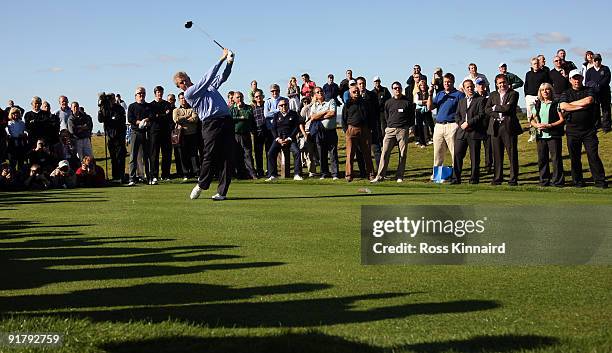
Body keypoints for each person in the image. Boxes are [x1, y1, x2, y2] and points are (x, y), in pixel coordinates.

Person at [175, 47, 235, 201]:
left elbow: (223, 77)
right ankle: (202, 184)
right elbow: (208, 77)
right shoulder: (190, 93)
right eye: (181, 83)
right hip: (210, 123)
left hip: (226, 121)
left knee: (228, 156)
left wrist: (229, 62)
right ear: (179, 87)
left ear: (189, 78)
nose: (184, 83)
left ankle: (222, 192)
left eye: (185, 79)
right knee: (209, 154)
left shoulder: (207, 87)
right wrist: (221, 58)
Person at [559, 70, 608, 188]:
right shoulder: (566, 93)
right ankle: (578, 181)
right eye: (574, 78)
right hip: (572, 130)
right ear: (570, 80)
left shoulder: (589, 90)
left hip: (588, 130)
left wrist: (571, 105)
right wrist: (580, 106)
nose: (577, 81)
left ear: (582, 79)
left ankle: (600, 181)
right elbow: (562, 106)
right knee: (575, 157)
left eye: (579, 78)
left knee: (593, 156)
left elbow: (589, 100)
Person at [371, 81, 414, 183]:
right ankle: (380, 176)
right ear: (392, 90)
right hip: (390, 130)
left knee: (402, 154)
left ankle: (399, 176)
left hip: (402, 130)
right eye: (395, 88)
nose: (397, 90)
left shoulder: (407, 102)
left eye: (399, 88)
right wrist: (387, 128)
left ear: (401, 89)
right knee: (384, 153)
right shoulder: (388, 102)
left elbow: (411, 117)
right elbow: (386, 117)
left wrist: (409, 127)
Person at [485, 74, 522, 186]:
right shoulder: (493, 95)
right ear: (496, 84)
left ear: (507, 82)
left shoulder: (513, 93)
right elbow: (487, 109)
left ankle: (513, 178)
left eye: (504, 82)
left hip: (508, 127)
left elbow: (509, 108)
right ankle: (497, 178)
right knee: (497, 154)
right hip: (496, 126)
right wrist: (496, 114)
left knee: (512, 153)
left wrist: (495, 107)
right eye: (500, 83)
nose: (502, 85)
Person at [427, 73, 465, 180]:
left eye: (449, 82)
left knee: (454, 152)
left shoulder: (459, 94)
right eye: (445, 82)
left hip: (452, 125)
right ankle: (437, 175)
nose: (447, 84)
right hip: (439, 125)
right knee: (438, 152)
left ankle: (455, 174)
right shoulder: (440, 94)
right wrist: (430, 94)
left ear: (453, 82)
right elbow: (430, 107)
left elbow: (462, 111)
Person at [451, 80, 488, 184]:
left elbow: (481, 115)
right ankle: (456, 178)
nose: (470, 89)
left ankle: (474, 179)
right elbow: (457, 115)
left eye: (471, 87)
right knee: (457, 154)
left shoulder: (480, 100)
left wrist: (469, 123)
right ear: (464, 88)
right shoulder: (461, 101)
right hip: (462, 132)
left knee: (475, 157)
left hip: (474, 132)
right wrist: (461, 123)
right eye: (467, 87)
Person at [530, 83, 565, 187]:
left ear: (551, 90)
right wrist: (536, 125)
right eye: (542, 90)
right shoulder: (538, 104)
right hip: (541, 135)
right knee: (542, 159)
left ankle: (557, 181)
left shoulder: (556, 103)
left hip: (553, 135)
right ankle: (544, 180)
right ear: (540, 92)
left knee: (556, 159)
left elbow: (562, 120)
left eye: (547, 89)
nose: (545, 91)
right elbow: (531, 119)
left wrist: (550, 125)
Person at [342, 85, 375, 181]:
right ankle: (349, 175)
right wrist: (346, 131)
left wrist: (370, 129)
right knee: (350, 154)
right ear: (350, 93)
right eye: (354, 92)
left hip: (364, 130)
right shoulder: (347, 104)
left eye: (357, 91)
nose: (356, 93)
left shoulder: (365, 103)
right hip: (351, 130)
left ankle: (370, 174)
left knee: (367, 154)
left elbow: (371, 116)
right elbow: (344, 119)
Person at [265, 98, 303, 181]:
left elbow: (296, 128)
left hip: (290, 138)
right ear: (278, 107)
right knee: (270, 153)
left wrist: (289, 138)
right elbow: (273, 128)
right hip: (279, 138)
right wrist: (277, 139)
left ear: (288, 105)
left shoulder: (293, 114)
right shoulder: (276, 115)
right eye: (281, 105)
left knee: (297, 152)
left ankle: (297, 174)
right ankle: (273, 175)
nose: (283, 106)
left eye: (285, 104)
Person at [309, 87, 339, 180]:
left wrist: (320, 116)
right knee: (322, 153)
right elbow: (313, 117)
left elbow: (332, 113)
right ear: (315, 95)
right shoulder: (314, 105)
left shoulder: (331, 101)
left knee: (333, 153)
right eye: (317, 92)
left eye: (321, 91)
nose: (320, 93)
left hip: (330, 131)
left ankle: (335, 174)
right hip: (319, 132)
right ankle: (324, 173)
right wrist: (325, 111)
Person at [98, 93, 127, 182]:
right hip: (110, 137)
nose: (111, 101)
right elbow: (100, 119)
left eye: (112, 99)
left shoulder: (119, 108)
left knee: (120, 157)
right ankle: (115, 177)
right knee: (113, 158)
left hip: (119, 136)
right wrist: (100, 108)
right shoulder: (105, 109)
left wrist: (111, 119)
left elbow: (119, 120)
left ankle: (121, 176)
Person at [127, 86, 152, 186]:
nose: (141, 95)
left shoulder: (148, 106)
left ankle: (149, 177)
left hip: (145, 133)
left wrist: (146, 120)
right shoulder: (132, 106)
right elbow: (130, 118)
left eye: (143, 93)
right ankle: (132, 178)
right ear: (135, 95)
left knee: (147, 157)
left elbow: (151, 116)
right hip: (135, 133)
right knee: (133, 156)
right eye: (139, 93)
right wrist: (139, 122)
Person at [173, 92, 200, 181]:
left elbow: (195, 119)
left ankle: (196, 172)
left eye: (184, 98)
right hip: (181, 135)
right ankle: (185, 173)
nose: (183, 100)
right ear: (179, 100)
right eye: (181, 98)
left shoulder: (193, 108)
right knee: (182, 155)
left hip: (192, 134)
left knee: (194, 154)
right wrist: (187, 117)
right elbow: (176, 119)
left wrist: (182, 118)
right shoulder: (176, 110)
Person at [149, 86, 173, 182]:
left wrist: (159, 115)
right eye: (158, 92)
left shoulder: (167, 104)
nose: (160, 94)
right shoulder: (151, 105)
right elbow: (152, 117)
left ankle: (165, 174)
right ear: (155, 93)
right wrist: (162, 115)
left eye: (161, 92)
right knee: (154, 154)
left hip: (165, 132)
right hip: (154, 132)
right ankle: (154, 175)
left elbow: (169, 116)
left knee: (166, 154)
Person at [230, 91, 257, 179]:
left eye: (241, 97)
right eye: (237, 97)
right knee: (236, 154)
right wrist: (240, 117)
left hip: (246, 134)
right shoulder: (231, 109)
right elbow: (230, 119)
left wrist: (238, 117)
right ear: (233, 99)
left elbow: (248, 116)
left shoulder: (248, 107)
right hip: (235, 135)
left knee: (248, 154)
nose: (240, 99)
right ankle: (240, 174)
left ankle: (252, 173)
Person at [525, 57, 551, 141]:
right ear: (531, 65)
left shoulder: (543, 73)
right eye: (534, 64)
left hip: (539, 97)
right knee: (530, 117)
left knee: (539, 115)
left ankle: (540, 131)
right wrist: (526, 95)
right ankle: (532, 134)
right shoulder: (528, 74)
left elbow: (547, 84)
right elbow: (526, 85)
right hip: (529, 97)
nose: (536, 65)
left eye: (537, 63)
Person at [585, 53, 611, 132]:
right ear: (593, 61)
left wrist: (598, 85)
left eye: (598, 60)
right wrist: (592, 87)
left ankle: (606, 127)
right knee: (595, 110)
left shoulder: (605, 69)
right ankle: (596, 125)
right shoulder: (589, 71)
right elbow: (587, 82)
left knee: (606, 110)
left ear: (601, 60)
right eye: (595, 60)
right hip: (594, 94)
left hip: (604, 92)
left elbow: (607, 79)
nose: (597, 62)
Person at [251, 89, 269, 177]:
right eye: (256, 96)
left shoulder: (267, 105)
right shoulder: (252, 108)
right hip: (257, 133)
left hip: (267, 132)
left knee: (269, 152)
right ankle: (260, 171)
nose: (258, 98)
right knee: (258, 154)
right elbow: (251, 121)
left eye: (260, 96)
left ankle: (270, 171)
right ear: (254, 98)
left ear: (262, 96)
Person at [5, 107, 27, 172]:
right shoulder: (9, 123)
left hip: (20, 141)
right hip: (12, 142)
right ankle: (13, 174)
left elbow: (25, 131)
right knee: (12, 161)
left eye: (17, 113)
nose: (15, 115)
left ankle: (20, 174)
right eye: (14, 114)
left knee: (21, 160)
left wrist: (24, 134)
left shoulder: (22, 123)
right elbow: (7, 132)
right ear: (11, 114)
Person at [414, 80, 433, 147]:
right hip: (419, 111)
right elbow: (417, 102)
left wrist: (424, 102)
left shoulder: (429, 93)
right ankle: (422, 142)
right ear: (419, 86)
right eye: (421, 85)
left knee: (429, 125)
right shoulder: (417, 94)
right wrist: (426, 101)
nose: (423, 86)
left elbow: (431, 100)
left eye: (424, 85)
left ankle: (429, 139)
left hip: (427, 110)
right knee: (420, 126)